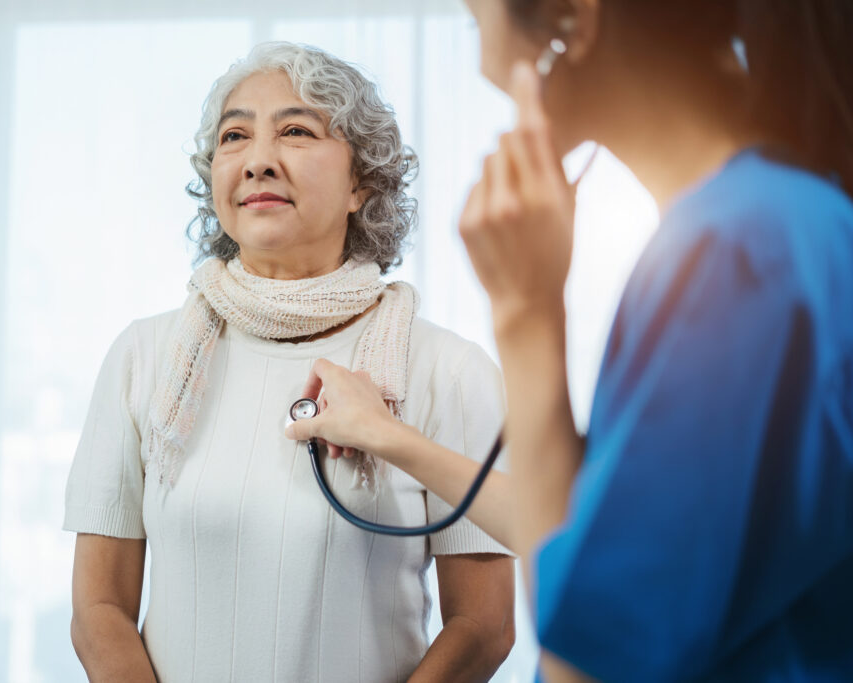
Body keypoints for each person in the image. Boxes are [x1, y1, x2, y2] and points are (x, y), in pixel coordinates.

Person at [285, 0, 853, 681]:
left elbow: (584, 664)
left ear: (573, 20)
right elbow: (601, 532)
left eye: (474, 21)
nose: (483, 63)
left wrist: (527, 317)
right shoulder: (787, 222)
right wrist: (389, 436)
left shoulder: (734, 257)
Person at [63, 41, 516, 683]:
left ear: (363, 182)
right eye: (235, 137)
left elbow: (484, 625)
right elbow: (98, 607)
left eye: (296, 131)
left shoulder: (450, 371)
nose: (257, 162)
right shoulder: (144, 357)